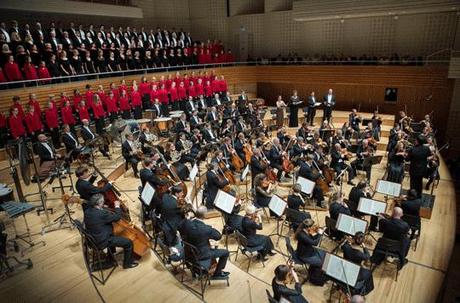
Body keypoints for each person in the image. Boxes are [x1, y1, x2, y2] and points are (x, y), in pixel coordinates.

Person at [83, 194, 138, 269]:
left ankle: (111, 260)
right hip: (102, 241)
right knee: (128, 243)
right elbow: (117, 217)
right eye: (103, 202)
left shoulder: (87, 211)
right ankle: (127, 264)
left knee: (113, 234)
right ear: (99, 203)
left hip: (92, 238)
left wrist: (102, 208)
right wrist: (117, 206)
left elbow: (98, 217)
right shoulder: (101, 214)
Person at [180, 205, 230, 278]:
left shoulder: (187, 224)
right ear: (205, 216)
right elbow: (218, 236)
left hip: (189, 253)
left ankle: (197, 269)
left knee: (209, 245)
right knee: (225, 252)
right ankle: (217, 273)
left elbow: (180, 226)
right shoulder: (206, 229)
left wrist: (187, 219)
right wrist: (211, 228)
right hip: (201, 254)